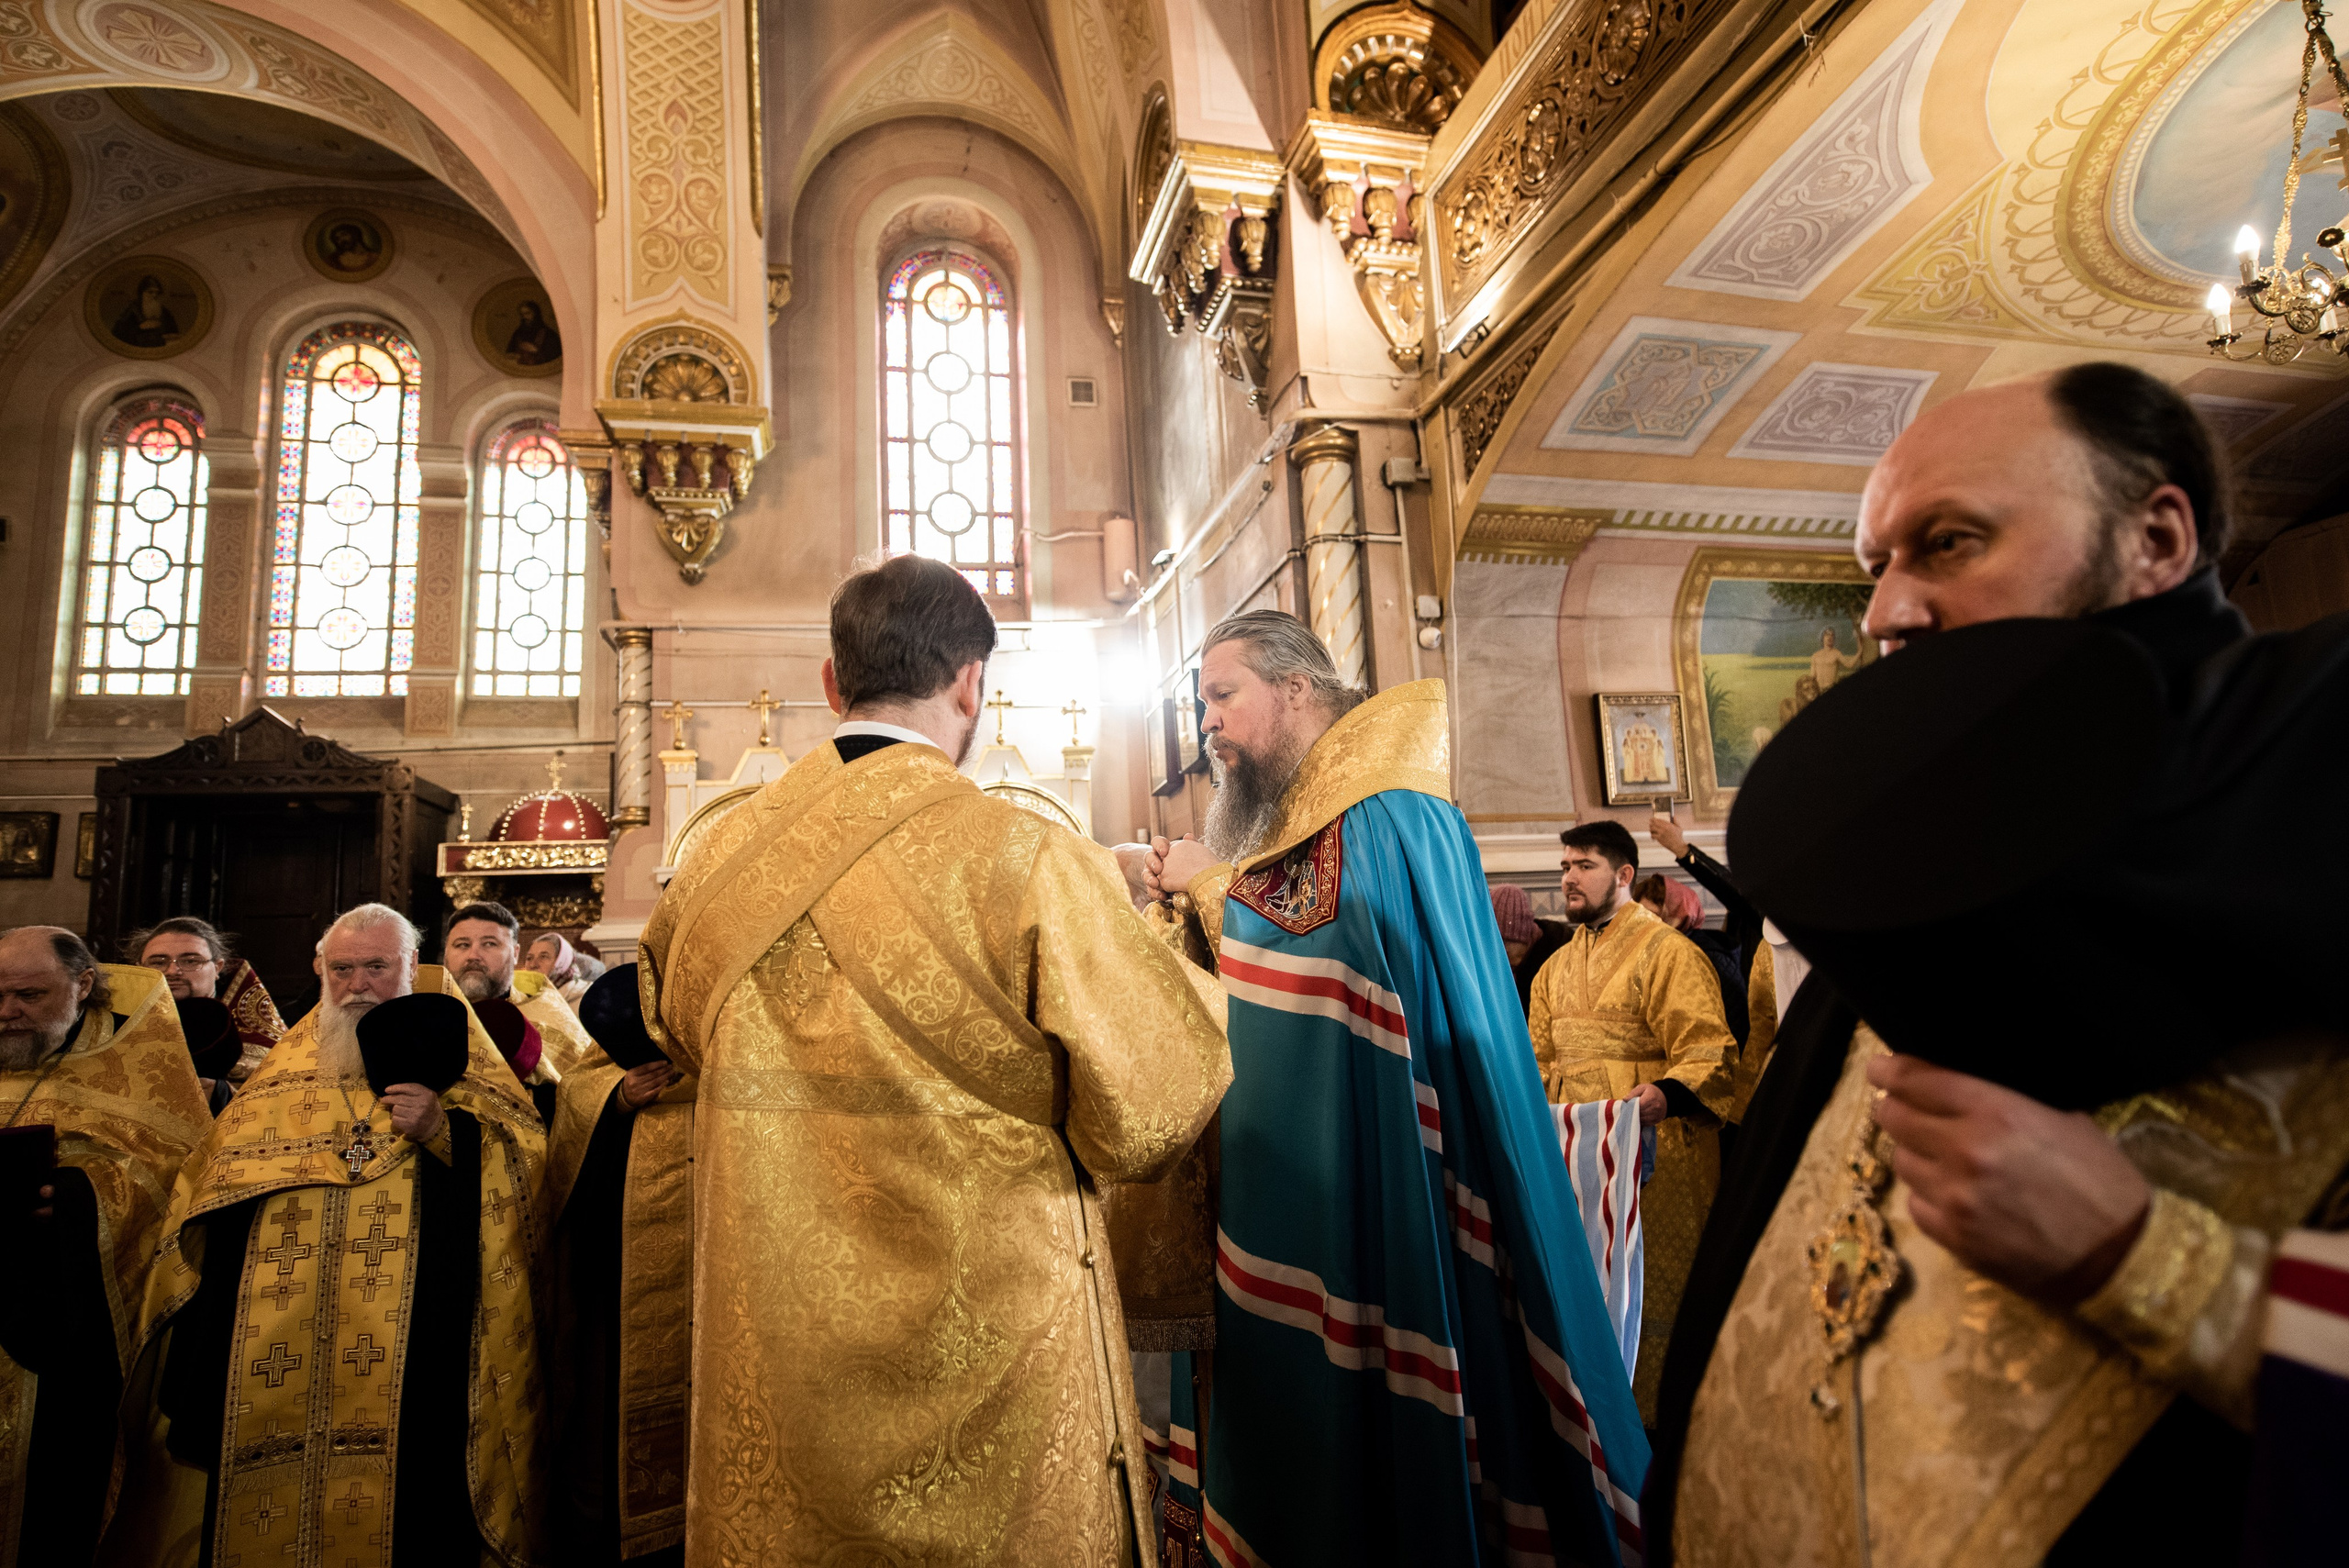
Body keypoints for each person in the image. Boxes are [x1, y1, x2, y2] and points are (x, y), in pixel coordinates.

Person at [1649, 362, 2343, 1565]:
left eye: (1950, 542)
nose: (1885, 613)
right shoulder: (1905, 874)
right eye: (1876, 567)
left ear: (2156, 539)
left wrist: (2144, 1257)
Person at [638, 554, 1230, 1566]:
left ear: (834, 682)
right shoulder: (1025, 855)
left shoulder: (715, 866)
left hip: (784, 1339)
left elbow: (672, 1021)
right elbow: (1151, 1102)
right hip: (998, 1347)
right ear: (970, 682)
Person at [1145, 612, 1647, 1566]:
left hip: (1399, 1143)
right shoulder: (1314, 810)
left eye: (1221, 696)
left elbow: (1331, 948)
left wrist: (1212, 887)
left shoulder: (1385, 805)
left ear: (1296, 688)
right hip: (1331, 1139)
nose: (1205, 723)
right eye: (1202, 702)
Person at [145, 903, 546, 1567]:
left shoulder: (462, 1050)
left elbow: (526, 1167)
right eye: (343, 969)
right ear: (320, 970)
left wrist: (444, 1132)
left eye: (376, 967)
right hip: (275, 1334)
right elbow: (213, 1179)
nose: (358, 984)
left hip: (416, 1332)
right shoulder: (281, 1070)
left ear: (411, 966)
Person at [0, 927, 208, 1566]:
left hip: (65, 1324)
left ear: (83, 984)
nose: (7, 1011)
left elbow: (174, 1182)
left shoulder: (139, 1065)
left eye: (29, 995)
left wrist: (69, 1198)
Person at [1530, 821, 1737, 1422]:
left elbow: (1710, 1052)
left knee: (1658, 1304)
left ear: (1624, 874)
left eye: (1584, 865)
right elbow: (1537, 1064)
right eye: (1565, 866)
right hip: (1577, 1170)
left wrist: (1667, 1094)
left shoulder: (1670, 953)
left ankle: (1666, 1435)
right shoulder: (1553, 969)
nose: (1569, 877)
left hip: (1655, 1168)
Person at [541, 965, 690, 1565]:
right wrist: (616, 1103)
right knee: (605, 1410)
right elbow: (565, 1178)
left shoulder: (731, 1073)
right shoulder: (591, 1079)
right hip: (615, 1281)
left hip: (709, 1285)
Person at [445, 900, 593, 1078]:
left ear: (515, 954)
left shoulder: (549, 1020)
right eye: (462, 945)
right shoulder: (427, 1014)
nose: (473, 955)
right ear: (446, 952)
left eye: (489, 944)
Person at [131, 917, 285, 1085]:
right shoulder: (121, 1029)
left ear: (217, 968)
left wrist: (220, 1092)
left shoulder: (263, 1048)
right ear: (140, 969)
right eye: (158, 963)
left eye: (191, 961)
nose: (172, 971)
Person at [1490, 879, 1569, 1015]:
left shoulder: (1560, 955)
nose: (1500, 953)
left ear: (1524, 938)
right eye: (1493, 946)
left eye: (1505, 943)